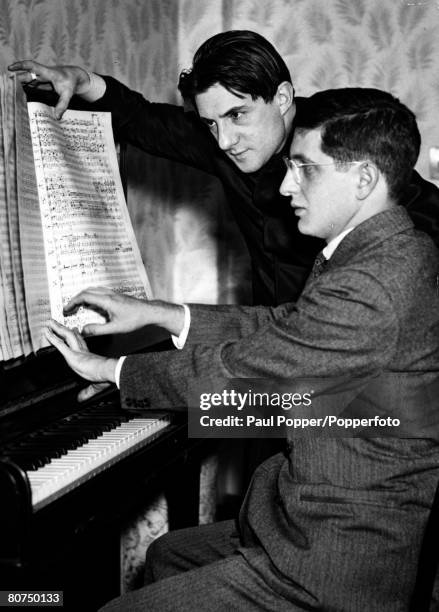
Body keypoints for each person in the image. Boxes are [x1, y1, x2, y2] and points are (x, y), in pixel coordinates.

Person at [45, 88, 439, 611]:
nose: (283, 186)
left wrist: (113, 369)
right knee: (168, 553)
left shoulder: (372, 281)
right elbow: (288, 326)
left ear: (363, 178)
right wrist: (160, 312)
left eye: (305, 169)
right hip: (313, 510)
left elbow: (243, 377)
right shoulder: (393, 246)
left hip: (335, 555)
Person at [8, 30, 439, 308]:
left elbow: (420, 218)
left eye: (238, 115)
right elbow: (141, 119)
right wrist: (82, 80)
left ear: (283, 98)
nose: (224, 141)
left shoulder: (336, 138)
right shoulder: (220, 137)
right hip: (268, 342)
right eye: (210, 122)